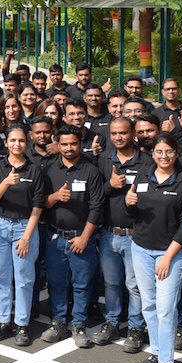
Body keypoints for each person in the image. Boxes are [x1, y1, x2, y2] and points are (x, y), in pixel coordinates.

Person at [126, 134, 182, 363]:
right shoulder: (143, 175)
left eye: (169, 151)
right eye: (159, 152)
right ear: (152, 153)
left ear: (176, 153)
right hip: (141, 249)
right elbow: (134, 214)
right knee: (149, 305)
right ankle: (156, 352)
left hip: (171, 253)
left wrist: (168, 256)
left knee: (166, 309)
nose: (164, 156)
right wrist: (128, 203)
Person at [39, 124, 105, 348]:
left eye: (73, 144)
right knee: (56, 283)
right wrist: (55, 197)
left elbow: (97, 207)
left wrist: (85, 237)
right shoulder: (49, 170)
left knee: (82, 284)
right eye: (64, 144)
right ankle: (58, 322)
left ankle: (78, 324)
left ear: (80, 144)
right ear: (58, 144)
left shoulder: (91, 171)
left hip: (82, 238)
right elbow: (40, 202)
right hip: (55, 237)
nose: (69, 148)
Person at [0, 125, 45, 346]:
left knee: (24, 278)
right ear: (6, 143)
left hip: (24, 226)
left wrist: (26, 237)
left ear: (26, 143)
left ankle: (22, 324)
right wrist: (6, 182)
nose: (17, 144)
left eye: (21, 140)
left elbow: (38, 206)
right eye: (13, 140)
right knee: (1, 277)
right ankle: (4, 322)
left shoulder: (34, 169)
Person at [98, 117, 148, 351]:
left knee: (134, 285)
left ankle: (136, 328)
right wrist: (111, 185)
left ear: (133, 134)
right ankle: (111, 322)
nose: (118, 137)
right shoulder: (104, 159)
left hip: (135, 235)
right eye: (114, 133)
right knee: (111, 283)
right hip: (109, 233)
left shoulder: (147, 161)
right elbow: (95, 195)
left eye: (123, 133)